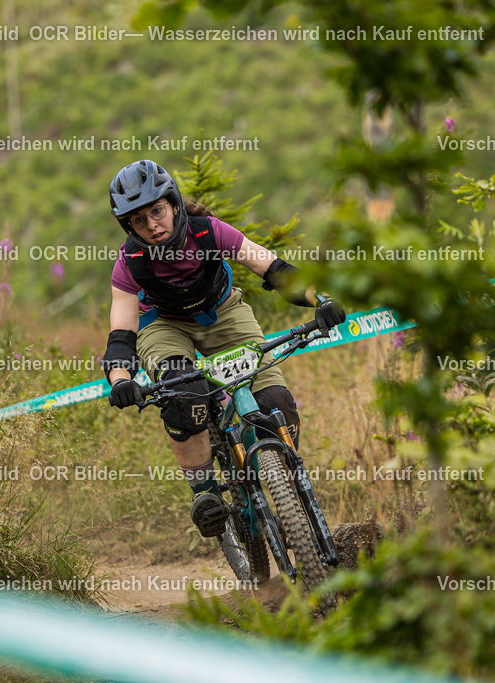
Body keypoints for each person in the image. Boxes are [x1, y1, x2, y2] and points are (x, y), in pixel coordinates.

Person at [101, 159, 345, 538]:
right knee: (185, 396)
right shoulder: (129, 263)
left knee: (276, 401)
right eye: (139, 220)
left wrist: (321, 299)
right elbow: (121, 335)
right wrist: (120, 380)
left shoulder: (209, 231)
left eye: (157, 211)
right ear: (129, 227)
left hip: (222, 310)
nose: (152, 225)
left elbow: (273, 268)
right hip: (163, 324)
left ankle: (282, 485)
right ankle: (206, 494)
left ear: (174, 204)